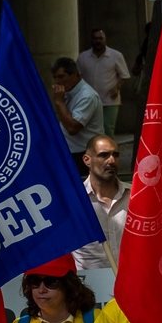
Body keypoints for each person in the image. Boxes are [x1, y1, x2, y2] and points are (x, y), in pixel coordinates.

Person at [71, 135, 130, 271]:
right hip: (90, 286)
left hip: (131, 282)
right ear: (87, 160)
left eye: (115, 155)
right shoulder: (74, 201)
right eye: (104, 155)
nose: (111, 160)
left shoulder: (136, 197)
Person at [76, 28, 132, 134]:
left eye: (100, 38)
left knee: (107, 130)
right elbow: (77, 77)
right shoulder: (83, 57)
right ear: (91, 40)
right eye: (95, 38)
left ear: (105, 39)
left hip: (109, 101)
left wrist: (116, 87)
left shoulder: (116, 56)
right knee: (89, 131)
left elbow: (124, 75)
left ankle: (110, 151)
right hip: (88, 101)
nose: (98, 41)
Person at [49, 58, 102, 155]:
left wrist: (60, 103)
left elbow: (72, 128)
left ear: (74, 75)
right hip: (68, 150)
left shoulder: (87, 96)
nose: (57, 81)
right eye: (55, 78)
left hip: (84, 152)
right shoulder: (66, 92)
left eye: (61, 77)